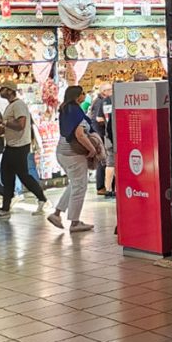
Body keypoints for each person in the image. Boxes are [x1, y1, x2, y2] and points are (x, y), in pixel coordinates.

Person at [49, 86, 101, 233]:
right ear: (77, 96)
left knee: (75, 183)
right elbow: (79, 134)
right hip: (74, 154)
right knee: (80, 186)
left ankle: (57, 213)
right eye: (83, 93)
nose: (85, 95)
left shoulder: (65, 109)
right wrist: (92, 148)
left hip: (63, 152)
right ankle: (75, 222)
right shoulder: (75, 110)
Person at [0, 82, 48, 218]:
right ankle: (6, 207)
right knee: (7, 176)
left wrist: (4, 122)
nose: (0, 91)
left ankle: (42, 199)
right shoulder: (10, 106)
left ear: (10, 90)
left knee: (23, 176)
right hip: (11, 146)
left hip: (19, 147)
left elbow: (21, 125)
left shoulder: (18, 105)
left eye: (3, 89)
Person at [90, 83, 115, 197]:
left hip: (105, 135)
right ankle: (103, 187)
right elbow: (97, 119)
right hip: (105, 135)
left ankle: (107, 187)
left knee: (108, 162)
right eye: (109, 89)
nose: (111, 91)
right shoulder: (101, 102)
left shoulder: (102, 101)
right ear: (103, 91)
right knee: (106, 161)